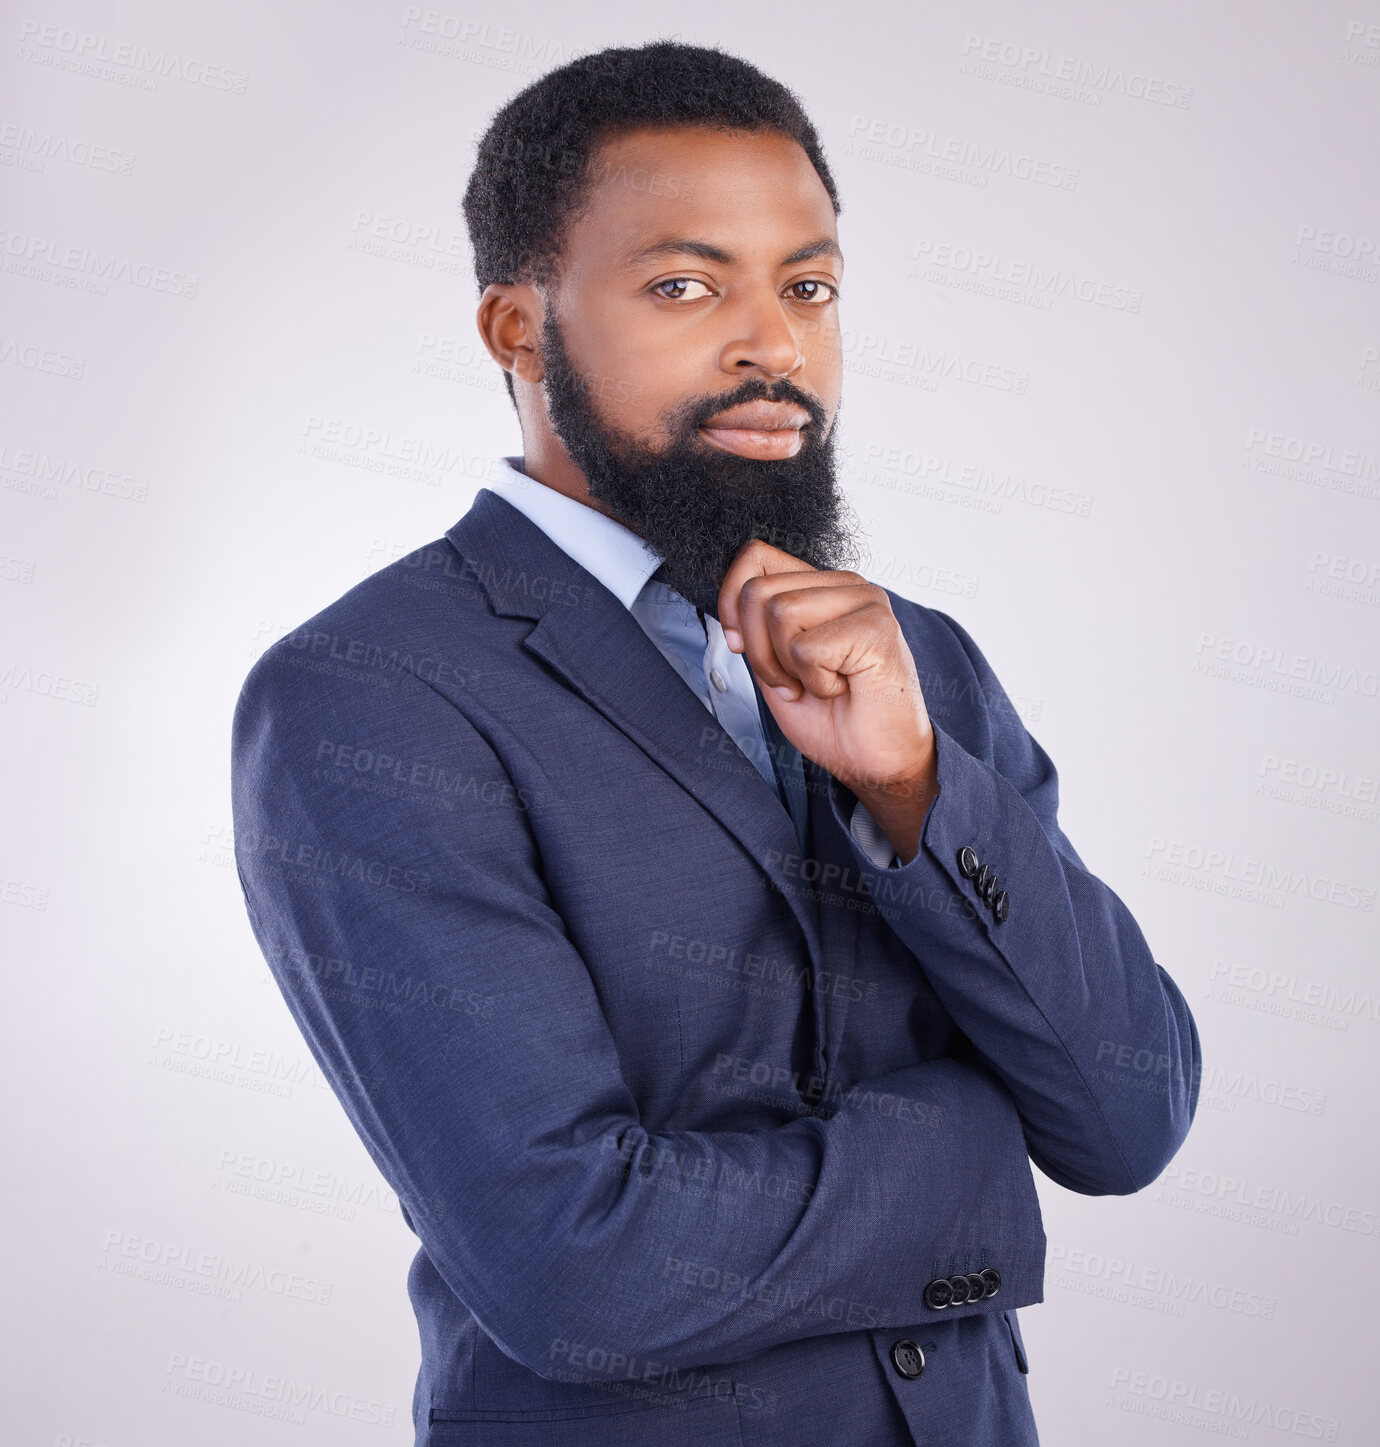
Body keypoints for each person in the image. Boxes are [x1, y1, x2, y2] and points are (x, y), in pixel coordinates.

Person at [231, 40, 1201, 1447]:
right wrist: (973, 1151)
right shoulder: (370, 692)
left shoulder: (912, 659)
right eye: (685, 286)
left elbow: (1130, 1116)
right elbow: (575, 1266)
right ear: (517, 327)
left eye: (807, 287)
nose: (775, 344)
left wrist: (917, 789)